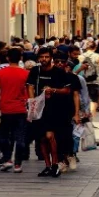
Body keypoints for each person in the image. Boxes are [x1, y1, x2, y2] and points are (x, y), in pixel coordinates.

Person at [26, 47, 73, 178]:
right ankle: (47, 166)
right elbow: (29, 86)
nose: (44, 59)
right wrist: (32, 102)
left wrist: (53, 90)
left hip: (54, 109)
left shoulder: (59, 72)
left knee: (49, 136)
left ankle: (55, 164)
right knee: (41, 138)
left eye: (46, 57)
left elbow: (67, 90)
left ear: (51, 57)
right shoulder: (35, 71)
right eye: (42, 57)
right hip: (38, 109)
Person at [0, 48, 29, 173]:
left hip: (4, 108)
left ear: (7, 58)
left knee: (3, 136)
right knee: (20, 137)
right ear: (20, 59)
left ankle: (7, 159)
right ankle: (18, 164)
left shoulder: (0, 73)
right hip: (20, 109)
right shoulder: (26, 73)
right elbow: (29, 92)